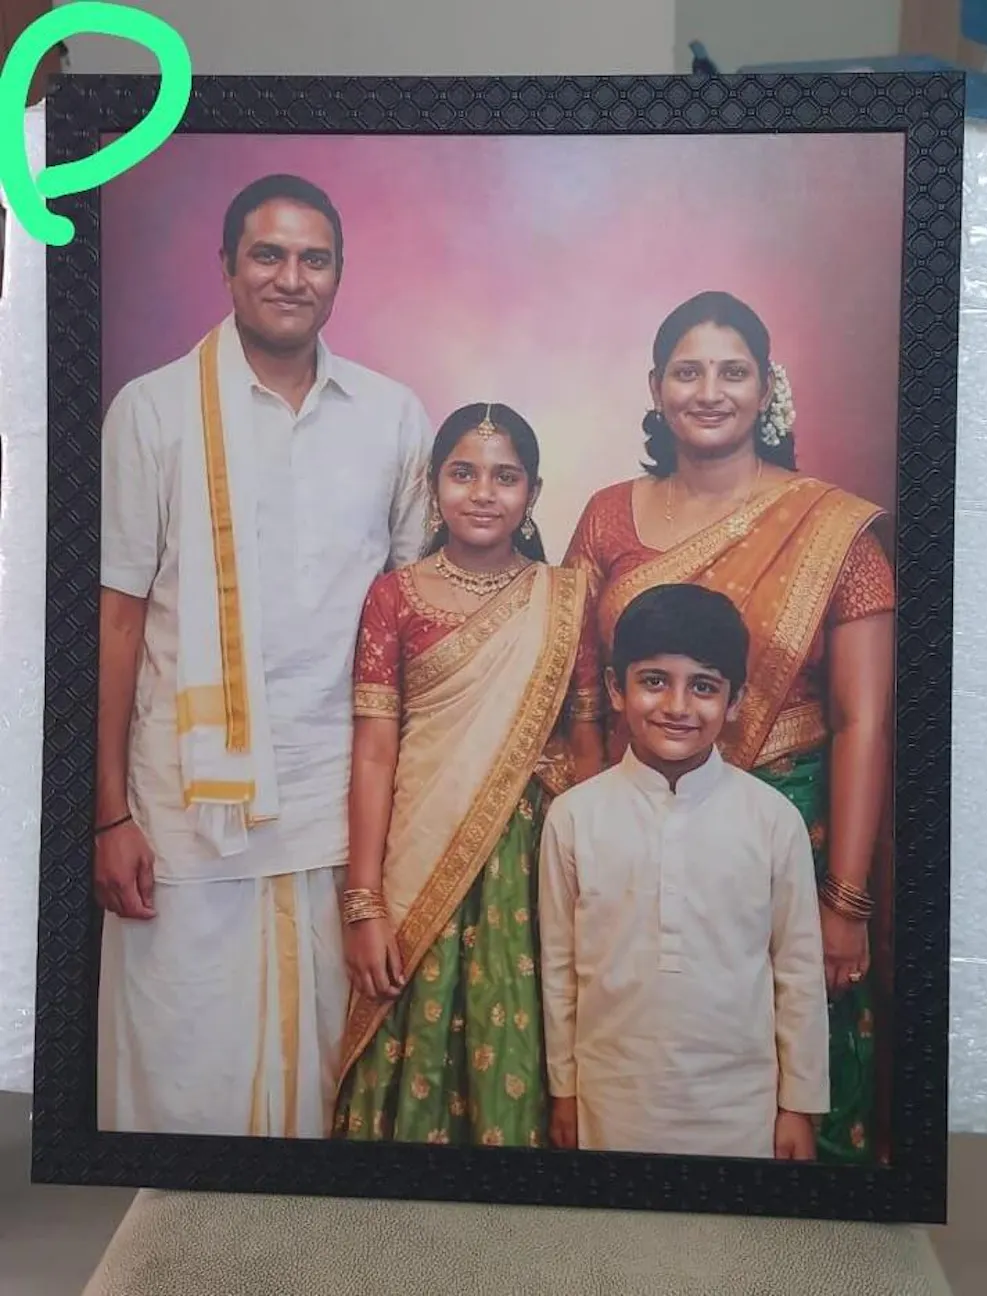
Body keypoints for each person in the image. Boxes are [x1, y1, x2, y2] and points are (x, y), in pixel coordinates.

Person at [95, 173, 433, 1138]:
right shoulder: (153, 411)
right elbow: (118, 622)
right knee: (182, 1063)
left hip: (336, 804)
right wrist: (108, 812)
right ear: (228, 267)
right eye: (268, 254)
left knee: (326, 1070)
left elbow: (413, 613)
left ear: (339, 274)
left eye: (313, 258)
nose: (291, 277)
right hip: (185, 808)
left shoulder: (391, 415)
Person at [563, 291, 895, 1165]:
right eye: (688, 371)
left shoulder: (836, 529)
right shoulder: (606, 517)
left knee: (797, 1052)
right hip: (634, 827)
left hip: (793, 828)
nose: (709, 392)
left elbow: (863, 721)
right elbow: (583, 699)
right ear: (656, 388)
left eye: (733, 372)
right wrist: (596, 836)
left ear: (766, 387)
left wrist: (846, 899)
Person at [332, 403, 593, 1147]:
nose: (483, 493)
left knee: (520, 1027)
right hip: (418, 851)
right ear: (433, 483)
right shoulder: (394, 596)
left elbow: (589, 744)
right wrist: (363, 902)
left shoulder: (565, 597)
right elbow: (374, 752)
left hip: (528, 863)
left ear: (533, 492)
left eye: (505, 477)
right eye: (463, 473)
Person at [539, 582, 829, 1160]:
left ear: (735, 700)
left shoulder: (772, 820)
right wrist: (564, 1092)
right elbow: (559, 968)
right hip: (610, 1101)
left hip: (740, 1107)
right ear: (616, 689)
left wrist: (797, 1106)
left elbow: (798, 971)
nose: (677, 706)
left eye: (703, 686)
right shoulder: (573, 817)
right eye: (654, 681)